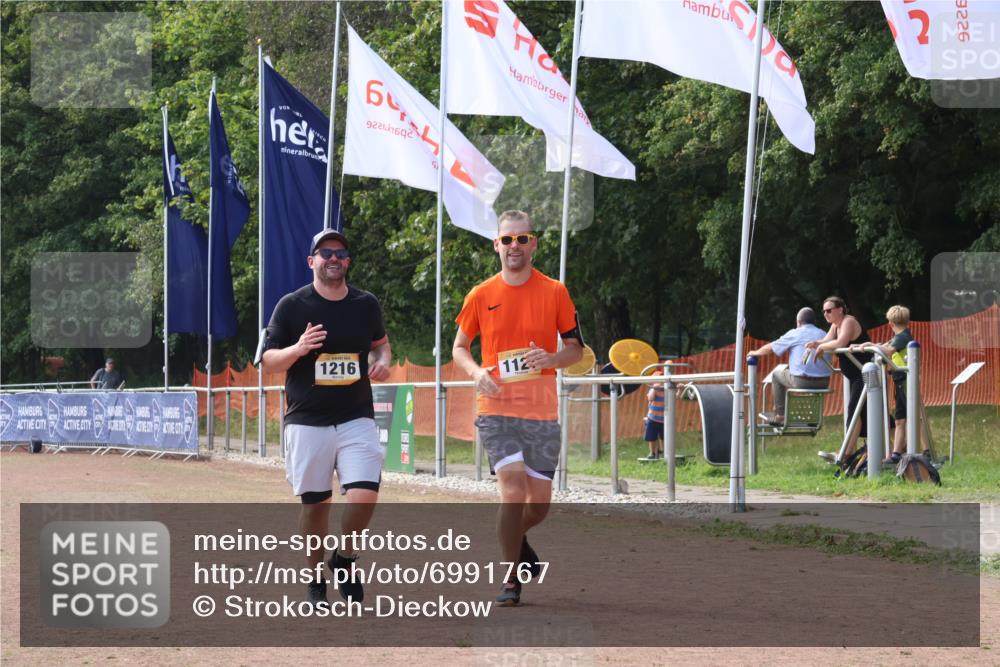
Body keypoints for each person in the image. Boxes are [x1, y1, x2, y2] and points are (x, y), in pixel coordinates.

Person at [452, 210, 583, 607]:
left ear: (533, 244)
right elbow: (460, 348)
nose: (514, 247)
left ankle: (517, 539)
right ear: (496, 245)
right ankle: (510, 581)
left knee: (539, 505)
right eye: (507, 240)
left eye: (522, 239)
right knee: (511, 493)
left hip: (541, 412)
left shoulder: (555, 291)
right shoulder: (481, 294)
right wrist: (476, 373)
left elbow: (576, 349)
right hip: (496, 408)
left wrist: (551, 360)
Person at [261, 228, 392, 608]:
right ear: (311, 261)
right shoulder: (291, 306)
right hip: (307, 420)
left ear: (347, 261)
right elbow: (268, 362)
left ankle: (345, 558)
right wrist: (298, 348)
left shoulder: (366, 304)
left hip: (356, 416)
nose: (333, 258)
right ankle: (315, 575)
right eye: (325, 252)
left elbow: (380, 346)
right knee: (316, 507)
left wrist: (381, 363)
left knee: (365, 496)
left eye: (340, 252)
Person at [804, 296, 873, 458]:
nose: (826, 314)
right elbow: (827, 340)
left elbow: (841, 343)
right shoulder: (836, 325)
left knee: (854, 412)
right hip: (855, 374)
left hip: (863, 373)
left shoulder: (848, 321)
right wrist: (815, 343)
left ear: (840, 309)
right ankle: (899, 447)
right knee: (866, 413)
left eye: (829, 310)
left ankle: (846, 453)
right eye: (823, 312)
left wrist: (822, 347)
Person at [749, 307, 831, 425]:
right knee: (800, 370)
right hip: (824, 382)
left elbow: (771, 347)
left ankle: (780, 415)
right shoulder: (824, 334)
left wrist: (755, 353)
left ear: (798, 322)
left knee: (777, 375)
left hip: (802, 381)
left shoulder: (796, 333)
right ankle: (813, 416)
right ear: (814, 322)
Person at [864, 304, 913, 466]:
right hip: (900, 380)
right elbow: (884, 345)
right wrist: (864, 346)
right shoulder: (901, 336)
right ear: (908, 321)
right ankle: (899, 453)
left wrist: (870, 347)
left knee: (907, 418)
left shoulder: (902, 337)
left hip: (905, 381)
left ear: (890, 324)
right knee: (903, 419)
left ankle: (901, 453)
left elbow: (888, 350)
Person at [639, 369, 664, 460]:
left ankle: (663, 450)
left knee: (664, 436)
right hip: (653, 418)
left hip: (664, 419)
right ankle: (652, 452)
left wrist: (680, 390)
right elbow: (650, 398)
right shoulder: (653, 390)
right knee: (651, 437)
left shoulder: (666, 390)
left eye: (662, 380)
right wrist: (654, 388)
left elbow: (675, 398)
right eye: (658, 380)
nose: (660, 383)